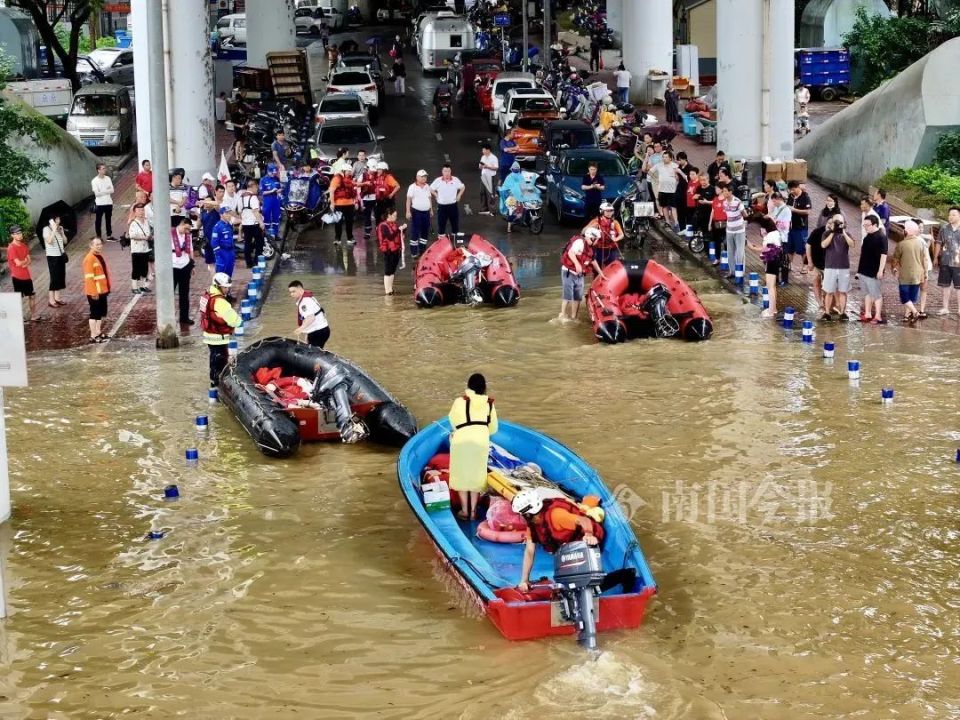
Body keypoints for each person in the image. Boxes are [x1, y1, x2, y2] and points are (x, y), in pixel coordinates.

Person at [514, 488, 604, 592]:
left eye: (521, 514)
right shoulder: (533, 526)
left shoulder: (555, 515)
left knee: (586, 513)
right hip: (568, 545)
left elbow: (584, 520)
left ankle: (590, 502)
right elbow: (529, 551)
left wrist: (589, 534)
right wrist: (524, 580)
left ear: (528, 514)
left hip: (585, 537)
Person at [447, 374, 499, 521]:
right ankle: (474, 511)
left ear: (469, 386)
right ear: (484, 387)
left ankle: (464, 511)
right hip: (481, 442)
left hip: (461, 441)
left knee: (462, 474)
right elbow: (493, 428)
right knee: (476, 475)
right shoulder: (489, 403)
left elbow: (452, 420)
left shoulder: (459, 401)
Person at [200, 272, 241, 387]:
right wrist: (240, 322)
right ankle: (218, 386)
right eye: (225, 287)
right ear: (218, 286)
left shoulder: (207, 295)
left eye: (228, 287)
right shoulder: (220, 302)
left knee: (213, 360)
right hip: (219, 337)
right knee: (220, 363)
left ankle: (213, 383)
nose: (227, 290)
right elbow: (234, 320)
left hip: (209, 336)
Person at [559, 227, 604, 321]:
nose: (597, 242)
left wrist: (601, 273)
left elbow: (593, 261)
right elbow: (571, 252)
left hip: (579, 274)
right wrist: (576, 264)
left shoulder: (591, 248)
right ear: (590, 237)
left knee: (578, 296)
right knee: (567, 295)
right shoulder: (580, 242)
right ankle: (562, 315)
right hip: (568, 272)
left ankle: (573, 317)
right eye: (596, 240)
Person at [891, 220, 928, 322]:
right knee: (912, 297)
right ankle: (907, 316)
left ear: (906, 232)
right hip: (918, 275)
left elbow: (895, 260)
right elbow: (925, 259)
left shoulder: (901, 244)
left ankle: (915, 313)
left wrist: (894, 269)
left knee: (904, 297)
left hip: (905, 275)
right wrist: (925, 273)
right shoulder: (921, 243)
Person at [820, 214, 855, 321]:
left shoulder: (846, 234)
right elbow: (824, 245)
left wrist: (843, 232)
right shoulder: (826, 233)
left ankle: (843, 312)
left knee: (843, 291)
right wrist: (833, 232)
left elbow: (852, 244)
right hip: (830, 266)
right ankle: (826, 312)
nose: (838, 224)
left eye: (840, 222)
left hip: (844, 267)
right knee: (829, 291)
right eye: (836, 222)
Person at [748, 216, 782, 319]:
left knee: (770, 286)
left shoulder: (771, 236)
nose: (761, 230)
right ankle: (774, 308)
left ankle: (771, 311)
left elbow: (769, 248)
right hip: (774, 260)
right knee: (773, 287)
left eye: (762, 228)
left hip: (771, 261)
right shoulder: (775, 233)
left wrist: (753, 248)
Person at [5, 225, 41, 322]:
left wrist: (24, 262)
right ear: (12, 235)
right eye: (17, 234)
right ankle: (19, 316)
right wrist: (24, 261)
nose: (20, 235)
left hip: (26, 276)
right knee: (18, 298)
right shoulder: (11, 248)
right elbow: (18, 263)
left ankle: (33, 315)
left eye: (20, 233)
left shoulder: (24, 246)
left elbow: (29, 260)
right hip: (17, 277)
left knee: (32, 296)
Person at [857, 215, 888, 324]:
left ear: (874, 225)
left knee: (876, 294)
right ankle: (868, 313)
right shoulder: (867, 237)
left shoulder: (881, 237)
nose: (865, 227)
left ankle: (878, 315)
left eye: (867, 225)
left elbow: (884, 255)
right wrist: (859, 270)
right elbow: (863, 255)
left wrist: (880, 270)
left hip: (874, 270)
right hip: (864, 269)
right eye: (864, 225)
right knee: (867, 293)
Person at [82, 237, 111, 342]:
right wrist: (93, 292)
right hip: (95, 292)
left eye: (100, 244)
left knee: (100, 313)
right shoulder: (89, 259)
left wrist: (107, 287)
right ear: (91, 245)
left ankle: (98, 332)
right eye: (97, 244)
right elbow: (89, 278)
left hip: (102, 290)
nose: (99, 246)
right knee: (94, 313)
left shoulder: (98, 256)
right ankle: (93, 335)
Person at [287, 280, 330, 347]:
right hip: (323, 329)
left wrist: (301, 328)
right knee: (316, 351)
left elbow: (311, 317)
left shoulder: (304, 302)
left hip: (317, 332)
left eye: (293, 291)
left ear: (300, 289)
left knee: (313, 353)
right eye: (290, 292)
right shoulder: (308, 298)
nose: (291, 294)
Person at [169, 217, 195, 326]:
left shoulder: (188, 236)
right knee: (170, 293)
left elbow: (191, 250)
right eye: (186, 228)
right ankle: (168, 317)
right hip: (173, 265)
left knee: (184, 293)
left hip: (185, 264)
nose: (187, 231)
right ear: (182, 223)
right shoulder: (170, 233)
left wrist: (192, 265)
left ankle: (184, 317)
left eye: (188, 229)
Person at [935, 206, 960, 315]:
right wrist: (935, 257)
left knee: (959, 287)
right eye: (949, 214)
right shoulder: (944, 228)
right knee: (945, 286)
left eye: (953, 214)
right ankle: (945, 308)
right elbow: (938, 242)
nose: (951, 217)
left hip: (958, 263)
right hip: (945, 261)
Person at [584, 202, 624, 269]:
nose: (609, 213)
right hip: (598, 249)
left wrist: (616, 239)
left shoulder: (615, 222)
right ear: (602, 211)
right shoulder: (596, 221)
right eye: (607, 211)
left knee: (612, 269)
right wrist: (591, 229)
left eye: (611, 211)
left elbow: (621, 235)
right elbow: (584, 232)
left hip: (611, 250)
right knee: (596, 270)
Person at [653, 151, 686, 230]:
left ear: (670, 158)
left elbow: (680, 176)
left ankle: (676, 222)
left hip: (672, 190)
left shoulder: (674, 166)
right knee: (664, 206)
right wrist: (656, 178)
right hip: (662, 189)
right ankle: (667, 221)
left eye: (666, 157)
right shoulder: (659, 165)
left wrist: (677, 175)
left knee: (673, 207)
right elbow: (649, 171)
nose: (664, 159)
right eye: (663, 157)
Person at [430, 164, 465, 236]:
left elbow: (463, 187)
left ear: (450, 171)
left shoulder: (455, 180)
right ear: (442, 172)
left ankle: (455, 234)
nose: (447, 173)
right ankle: (441, 236)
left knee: (454, 221)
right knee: (441, 222)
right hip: (442, 206)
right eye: (445, 171)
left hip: (453, 205)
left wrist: (459, 195)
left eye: (448, 171)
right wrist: (436, 195)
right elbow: (430, 188)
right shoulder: (438, 180)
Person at [786, 180, 812, 275]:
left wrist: (794, 210)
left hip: (801, 228)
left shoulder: (805, 197)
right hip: (790, 227)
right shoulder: (791, 197)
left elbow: (808, 211)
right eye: (790, 190)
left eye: (793, 190)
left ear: (797, 187)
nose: (791, 192)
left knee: (802, 249)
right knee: (789, 248)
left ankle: (805, 266)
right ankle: (788, 264)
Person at [377, 208, 405, 295]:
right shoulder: (383, 225)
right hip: (388, 250)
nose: (396, 217)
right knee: (388, 270)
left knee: (392, 270)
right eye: (394, 215)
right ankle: (387, 290)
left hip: (396, 250)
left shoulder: (394, 224)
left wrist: (403, 230)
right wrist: (398, 229)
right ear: (389, 215)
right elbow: (390, 237)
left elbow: (398, 236)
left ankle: (390, 289)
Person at [721, 183, 747, 274]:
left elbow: (744, 214)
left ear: (730, 192)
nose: (723, 193)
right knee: (730, 252)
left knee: (740, 252)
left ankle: (741, 272)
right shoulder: (724, 202)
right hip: (729, 230)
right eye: (723, 191)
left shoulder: (738, 201)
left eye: (725, 191)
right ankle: (732, 271)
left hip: (739, 230)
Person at [405, 169, 433, 257]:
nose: (424, 178)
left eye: (425, 176)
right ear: (417, 177)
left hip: (426, 213)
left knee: (425, 232)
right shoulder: (412, 187)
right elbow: (408, 200)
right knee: (415, 232)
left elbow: (429, 198)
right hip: (416, 213)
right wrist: (408, 211)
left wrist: (431, 209)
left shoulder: (427, 186)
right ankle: (414, 253)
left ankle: (422, 251)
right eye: (422, 176)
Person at [42, 214, 68, 308]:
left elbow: (65, 242)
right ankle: (51, 300)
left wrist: (62, 233)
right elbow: (49, 241)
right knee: (54, 278)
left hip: (60, 256)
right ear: (51, 220)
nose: (58, 220)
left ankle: (57, 298)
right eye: (56, 218)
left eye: (59, 218)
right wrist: (53, 230)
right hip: (52, 257)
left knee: (61, 276)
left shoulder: (59, 228)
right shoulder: (46, 229)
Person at [329, 165, 358, 245]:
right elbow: (331, 191)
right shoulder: (336, 178)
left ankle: (350, 238)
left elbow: (354, 191)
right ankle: (337, 239)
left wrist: (355, 202)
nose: (349, 173)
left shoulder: (350, 179)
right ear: (343, 170)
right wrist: (332, 203)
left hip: (350, 204)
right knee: (338, 222)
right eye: (348, 171)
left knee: (350, 222)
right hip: (339, 205)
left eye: (350, 171)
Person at [127, 203, 152, 295]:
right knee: (136, 268)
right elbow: (132, 235)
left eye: (142, 210)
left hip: (145, 249)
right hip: (136, 250)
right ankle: (134, 287)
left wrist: (148, 237)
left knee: (144, 268)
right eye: (139, 211)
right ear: (135, 212)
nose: (141, 212)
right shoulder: (133, 223)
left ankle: (142, 286)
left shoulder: (146, 221)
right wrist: (144, 237)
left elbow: (148, 232)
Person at [768, 192, 792, 285]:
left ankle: (785, 280)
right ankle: (776, 278)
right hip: (775, 237)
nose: (773, 203)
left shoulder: (786, 210)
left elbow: (786, 226)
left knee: (783, 260)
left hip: (783, 238)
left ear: (779, 199)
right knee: (774, 259)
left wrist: (775, 222)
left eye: (774, 201)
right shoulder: (776, 208)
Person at [239, 179, 265, 268]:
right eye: (257, 187)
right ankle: (257, 262)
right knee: (259, 243)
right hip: (254, 224)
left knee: (247, 243)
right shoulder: (253, 197)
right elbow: (255, 211)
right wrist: (261, 223)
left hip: (245, 224)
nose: (257, 189)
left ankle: (249, 263)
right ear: (253, 186)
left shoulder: (241, 197)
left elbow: (239, 211)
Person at [201, 185, 225, 275]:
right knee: (210, 264)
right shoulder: (203, 213)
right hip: (207, 241)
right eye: (205, 203)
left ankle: (221, 282)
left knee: (219, 262)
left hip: (217, 241)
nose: (206, 204)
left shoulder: (217, 211)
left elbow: (218, 205)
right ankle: (214, 283)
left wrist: (210, 201)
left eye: (208, 203)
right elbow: (200, 224)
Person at [805, 222, 828, 313]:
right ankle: (820, 304)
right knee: (816, 283)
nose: (830, 225)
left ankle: (827, 303)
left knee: (827, 287)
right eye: (829, 223)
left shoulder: (836, 233)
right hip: (816, 263)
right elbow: (808, 245)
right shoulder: (817, 232)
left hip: (829, 266)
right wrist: (809, 261)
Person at [209, 206, 236, 278]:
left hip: (230, 252)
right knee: (221, 275)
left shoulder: (229, 225)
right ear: (221, 215)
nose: (228, 215)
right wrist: (219, 255)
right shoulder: (217, 226)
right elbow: (214, 242)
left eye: (229, 213)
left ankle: (228, 289)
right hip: (223, 252)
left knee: (229, 273)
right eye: (226, 213)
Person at [91, 163, 115, 241]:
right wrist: (106, 190)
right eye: (103, 168)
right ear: (98, 170)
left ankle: (109, 235)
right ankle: (99, 236)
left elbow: (112, 190)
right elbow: (97, 194)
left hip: (108, 202)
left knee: (108, 219)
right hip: (100, 203)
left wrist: (102, 190)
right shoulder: (94, 181)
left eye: (105, 168)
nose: (105, 170)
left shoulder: (108, 178)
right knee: (98, 220)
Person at [259, 164, 283, 239]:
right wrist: (271, 191)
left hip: (276, 201)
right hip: (267, 201)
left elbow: (280, 189)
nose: (273, 174)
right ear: (268, 171)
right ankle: (266, 235)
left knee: (276, 217)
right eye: (272, 173)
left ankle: (275, 234)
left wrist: (279, 191)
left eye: (274, 173)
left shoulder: (276, 179)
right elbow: (261, 192)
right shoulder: (263, 180)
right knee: (267, 217)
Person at [357, 158, 378, 240]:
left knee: (378, 216)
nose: (373, 171)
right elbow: (358, 186)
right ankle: (367, 232)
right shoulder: (363, 175)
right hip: (366, 199)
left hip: (376, 198)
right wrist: (360, 199)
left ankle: (378, 231)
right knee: (367, 216)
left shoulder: (377, 176)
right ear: (367, 167)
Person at [478, 143, 499, 216]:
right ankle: (484, 208)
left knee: (491, 194)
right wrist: (481, 166)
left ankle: (493, 211)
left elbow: (496, 168)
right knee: (482, 192)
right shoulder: (483, 157)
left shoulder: (494, 158)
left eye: (483, 150)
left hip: (490, 177)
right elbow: (480, 167)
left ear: (488, 150)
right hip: (483, 177)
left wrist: (487, 167)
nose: (482, 151)